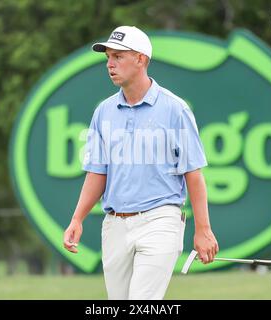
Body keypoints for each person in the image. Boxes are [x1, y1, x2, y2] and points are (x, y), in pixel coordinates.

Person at [63, 26, 218, 300]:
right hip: (114, 225)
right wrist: (77, 218)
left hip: (160, 220)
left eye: (118, 56)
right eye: (108, 57)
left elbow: (194, 173)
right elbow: (97, 172)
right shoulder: (103, 112)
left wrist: (203, 230)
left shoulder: (175, 109)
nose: (110, 64)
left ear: (141, 59)